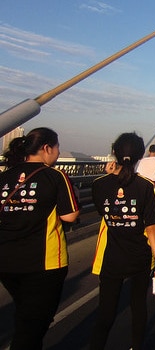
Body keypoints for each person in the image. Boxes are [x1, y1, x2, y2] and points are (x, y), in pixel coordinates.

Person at [0, 127, 80, 349]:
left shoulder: (5, 176)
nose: (57, 152)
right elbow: (70, 216)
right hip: (43, 264)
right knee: (32, 328)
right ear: (46, 148)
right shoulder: (55, 176)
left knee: (25, 316)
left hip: (6, 262)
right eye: (57, 148)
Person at [90, 132, 155, 350]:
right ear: (140, 156)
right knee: (138, 307)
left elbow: (102, 212)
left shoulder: (99, 185)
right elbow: (151, 228)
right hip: (139, 257)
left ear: (114, 153)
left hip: (110, 256)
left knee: (105, 313)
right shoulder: (145, 187)